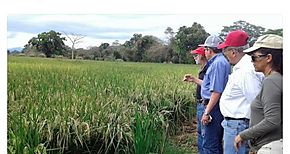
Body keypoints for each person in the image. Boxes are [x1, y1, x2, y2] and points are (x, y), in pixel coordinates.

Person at [234, 34, 283, 154]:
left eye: (254, 57)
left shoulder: (271, 81)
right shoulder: (278, 79)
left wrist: (243, 135)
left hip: (270, 146)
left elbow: (272, 120)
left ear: (268, 58)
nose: (252, 61)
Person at [217, 30, 264, 154]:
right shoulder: (244, 68)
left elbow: (256, 101)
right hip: (236, 125)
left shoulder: (245, 71)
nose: (225, 54)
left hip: (238, 126)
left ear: (233, 52)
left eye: (225, 51)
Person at [199, 35, 231, 154]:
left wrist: (207, 112)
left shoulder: (218, 63)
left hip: (213, 107)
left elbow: (216, 91)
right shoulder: (220, 62)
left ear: (209, 50)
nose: (204, 52)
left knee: (210, 144)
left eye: (205, 49)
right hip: (214, 106)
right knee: (214, 143)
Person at [183, 46, 207, 154]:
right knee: (200, 132)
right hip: (200, 104)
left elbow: (210, 86)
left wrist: (194, 79)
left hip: (204, 105)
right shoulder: (202, 70)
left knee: (204, 134)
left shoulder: (208, 70)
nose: (194, 57)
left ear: (203, 56)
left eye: (196, 55)